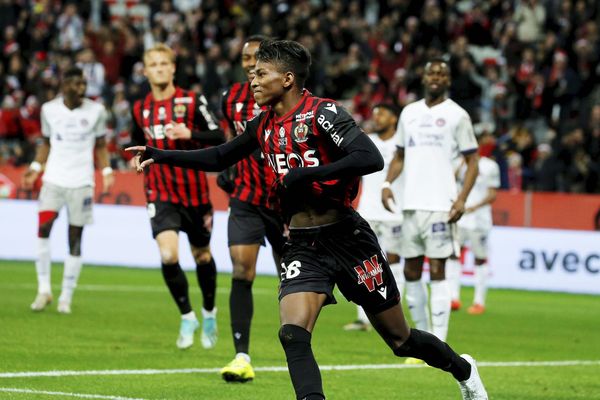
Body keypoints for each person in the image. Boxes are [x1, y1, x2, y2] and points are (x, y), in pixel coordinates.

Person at [127, 40, 487, 400]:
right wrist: (160, 154)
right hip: (301, 243)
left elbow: (369, 157)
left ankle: (464, 370)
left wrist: (309, 174)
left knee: (400, 339)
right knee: (292, 333)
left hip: (349, 239)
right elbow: (222, 156)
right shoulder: (262, 124)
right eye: (251, 74)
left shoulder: (323, 113)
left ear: (286, 79)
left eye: (260, 74)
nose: (252, 81)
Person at [129, 43, 225, 350]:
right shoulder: (139, 107)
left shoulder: (192, 100)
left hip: (194, 192)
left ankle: (210, 311)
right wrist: (135, 158)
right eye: (152, 64)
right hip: (160, 191)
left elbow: (219, 135)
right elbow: (136, 141)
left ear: (173, 68)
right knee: (169, 254)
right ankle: (187, 315)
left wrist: (190, 134)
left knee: (202, 256)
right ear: (145, 70)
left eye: (163, 63)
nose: (158, 68)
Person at [382, 58, 480, 346]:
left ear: (448, 81)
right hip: (410, 203)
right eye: (431, 73)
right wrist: (387, 184)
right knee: (411, 271)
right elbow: (399, 155)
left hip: (441, 204)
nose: (436, 77)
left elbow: (472, 160)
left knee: (437, 270)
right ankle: (421, 340)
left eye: (441, 73)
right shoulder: (409, 113)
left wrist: (462, 198)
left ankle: (439, 340)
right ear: (424, 78)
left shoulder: (457, 115)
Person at [218, 35, 287, 382]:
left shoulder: (285, 99)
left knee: (291, 281)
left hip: (286, 203)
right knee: (241, 271)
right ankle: (241, 356)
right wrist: (227, 168)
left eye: (256, 58)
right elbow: (228, 139)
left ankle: (296, 348)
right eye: (245, 58)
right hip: (245, 198)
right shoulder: (231, 98)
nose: (249, 63)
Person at [23, 66, 113, 314]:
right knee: (43, 230)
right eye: (76, 84)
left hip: (82, 182)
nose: (81, 88)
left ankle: (66, 296)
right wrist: (34, 167)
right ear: (64, 86)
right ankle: (43, 290)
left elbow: (102, 145)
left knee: (75, 239)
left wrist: (106, 171)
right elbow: (45, 143)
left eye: (83, 84)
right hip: (53, 180)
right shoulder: (49, 110)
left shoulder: (96, 111)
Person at [344, 103, 405, 332]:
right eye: (375, 113)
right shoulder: (366, 140)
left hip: (394, 212)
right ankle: (363, 318)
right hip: (367, 211)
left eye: (382, 113)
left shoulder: (403, 142)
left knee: (395, 262)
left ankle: (394, 314)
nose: (376, 118)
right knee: (365, 265)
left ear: (394, 118)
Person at [447, 137, 500, 315]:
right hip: (460, 218)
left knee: (479, 259)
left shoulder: (490, 166)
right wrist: (462, 161)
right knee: (454, 255)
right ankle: (453, 297)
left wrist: (474, 207)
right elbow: (449, 181)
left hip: (479, 220)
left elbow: (492, 194)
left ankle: (479, 301)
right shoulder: (458, 163)